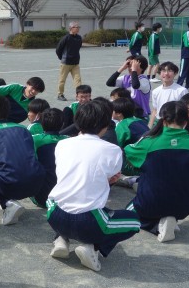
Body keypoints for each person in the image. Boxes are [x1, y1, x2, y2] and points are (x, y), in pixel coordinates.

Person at [47, 100, 140, 271]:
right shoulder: (113, 150)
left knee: (68, 196)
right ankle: (93, 248)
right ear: (105, 125)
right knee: (133, 222)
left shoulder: (62, 144)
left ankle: (61, 238)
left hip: (55, 215)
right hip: (87, 221)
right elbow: (112, 176)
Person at [124, 101, 189, 242]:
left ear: (163, 120)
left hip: (150, 202)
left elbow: (128, 151)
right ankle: (169, 219)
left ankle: (156, 226)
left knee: (127, 214)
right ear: (186, 122)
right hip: (185, 205)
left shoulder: (149, 142)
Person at [0, 96, 44, 225]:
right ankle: (8, 198)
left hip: (13, 184)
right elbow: (34, 157)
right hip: (37, 184)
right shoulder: (23, 129)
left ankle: (7, 203)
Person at [30, 108, 67, 208]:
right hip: (65, 198)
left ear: (41, 124)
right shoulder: (69, 141)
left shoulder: (34, 139)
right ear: (62, 124)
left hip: (41, 198)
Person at [149, 62, 187, 128]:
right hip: (159, 122)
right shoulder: (155, 91)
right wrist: (150, 126)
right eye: (163, 71)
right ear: (159, 73)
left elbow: (186, 111)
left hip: (174, 123)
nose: (166, 73)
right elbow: (155, 110)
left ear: (175, 73)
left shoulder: (182, 91)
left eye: (170, 71)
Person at [55, 21, 83, 101]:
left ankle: (80, 95)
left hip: (75, 63)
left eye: (78, 27)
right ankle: (60, 95)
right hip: (65, 63)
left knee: (78, 80)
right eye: (76, 27)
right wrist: (62, 58)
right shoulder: (66, 38)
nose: (78, 28)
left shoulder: (79, 38)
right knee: (62, 80)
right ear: (71, 28)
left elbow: (78, 48)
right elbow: (58, 49)